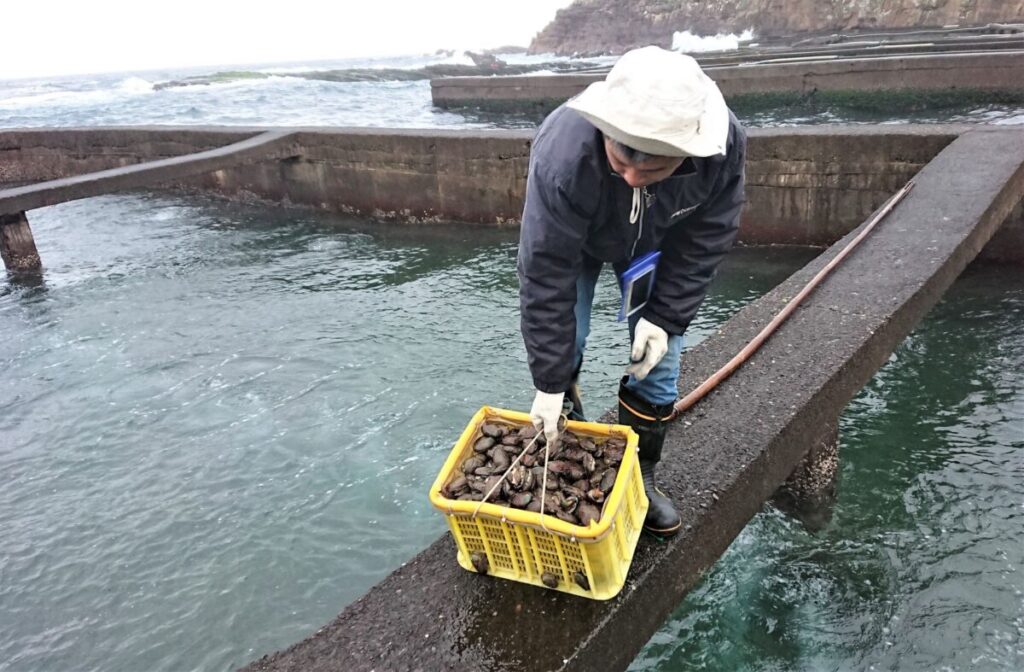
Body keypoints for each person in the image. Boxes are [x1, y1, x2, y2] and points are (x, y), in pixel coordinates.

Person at [517, 46, 747, 537]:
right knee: (567, 342)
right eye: (620, 161)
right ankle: (566, 445)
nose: (631, 178)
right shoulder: (564, 155)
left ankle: (640, 475)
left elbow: (707, 237)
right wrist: (548, 382)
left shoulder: (721, 148)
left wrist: (664, 318)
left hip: (657, 241)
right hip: (578, 242)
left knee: (659, 361)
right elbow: (546, 270)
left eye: (652, 171)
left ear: (687, 152)